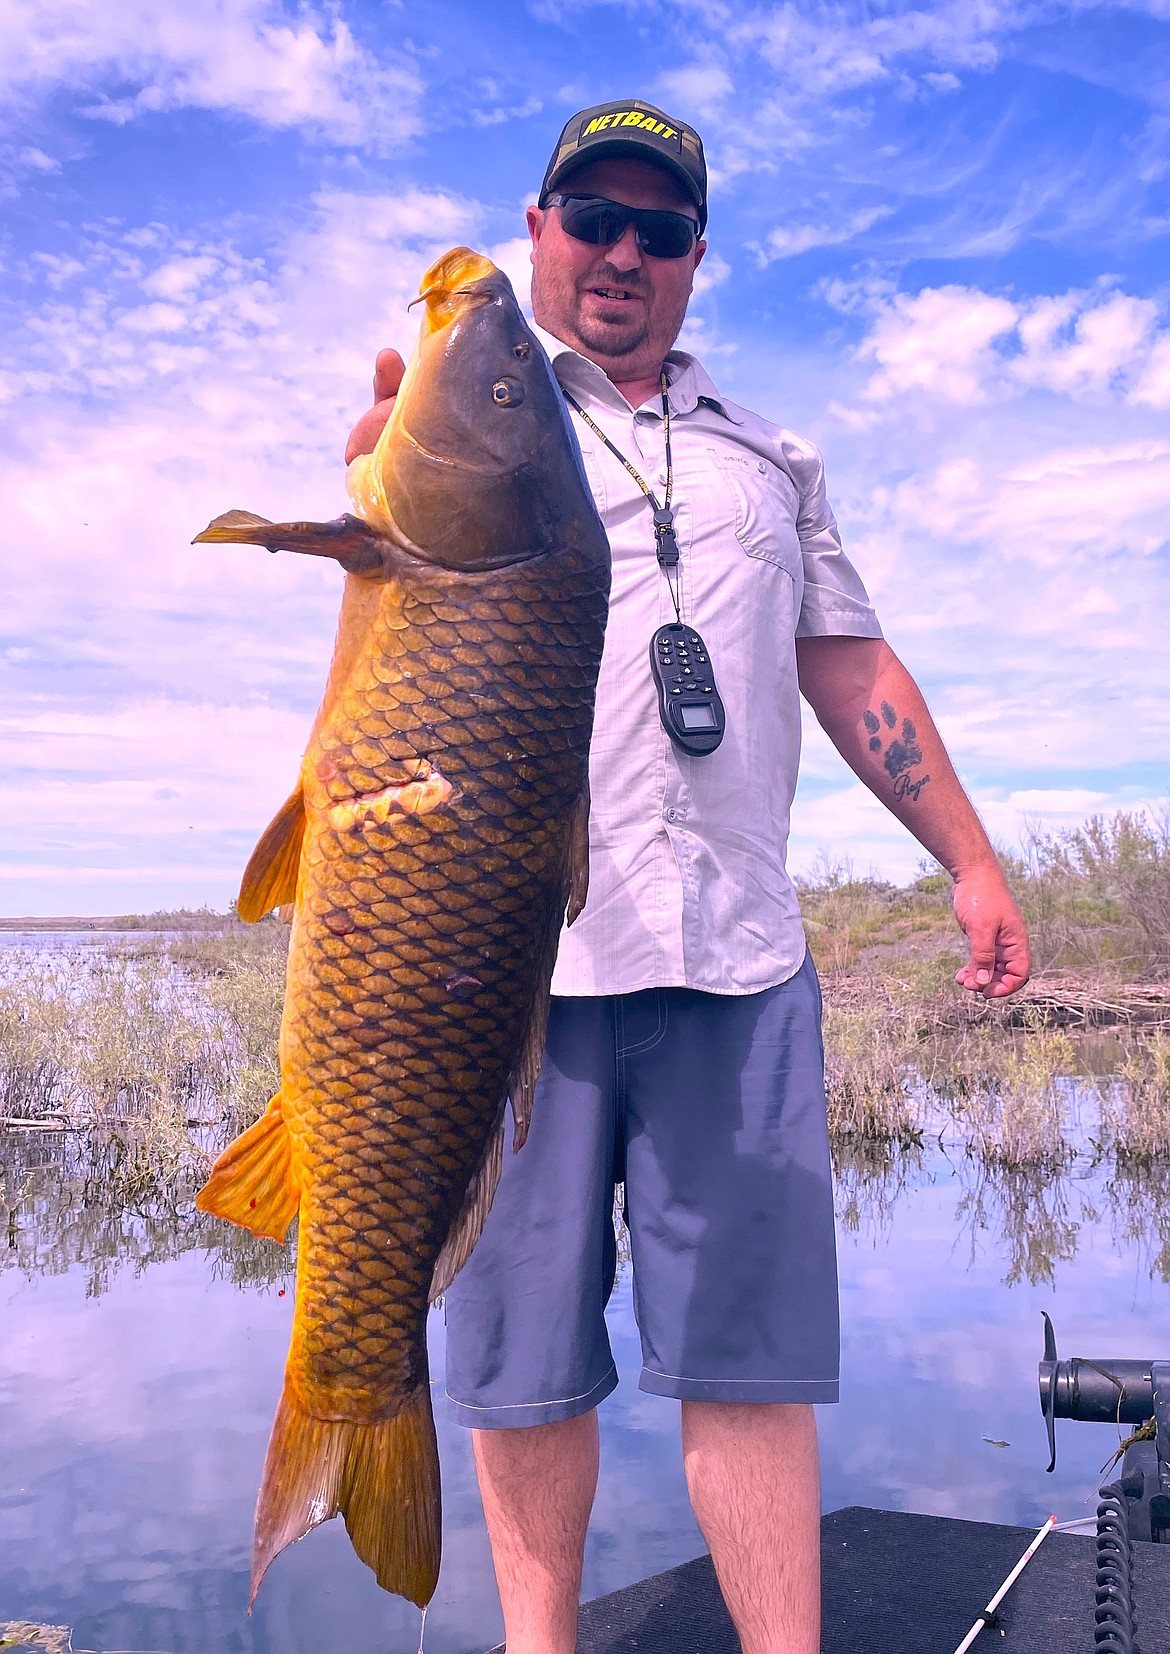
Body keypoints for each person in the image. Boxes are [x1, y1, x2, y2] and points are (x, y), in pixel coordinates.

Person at [346, 100, 1031, 1654]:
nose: (621, 252)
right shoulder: (467, 420)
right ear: (537, 228)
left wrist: (971, 857)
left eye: (659, 230)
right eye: (593, 215)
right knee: (521, 1359)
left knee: (750, 1358)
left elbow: (848, 663)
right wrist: (384, 457)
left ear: (695, 261)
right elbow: (376, 570)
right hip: (504, 970)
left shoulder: (770, 460)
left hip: (734, 959)